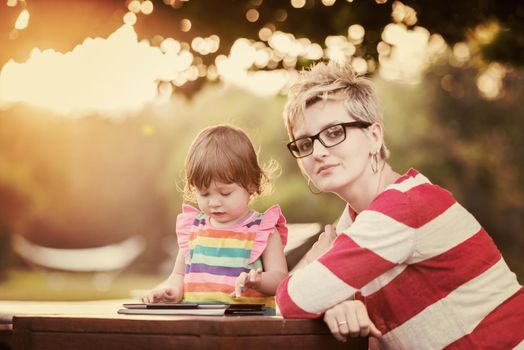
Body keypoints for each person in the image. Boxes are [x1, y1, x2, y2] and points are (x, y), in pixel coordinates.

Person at [275, 61, 524, 348]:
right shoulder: (354, 224)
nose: (317, 152)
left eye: (334, 133)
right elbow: (300, 298)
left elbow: (291, 299)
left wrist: (316, 266)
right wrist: (335, 300)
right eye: (305, 143)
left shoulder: (404, 208)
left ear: (374, 136)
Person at [143, 124, 288, 312]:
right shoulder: (193, 229)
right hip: (197, 324)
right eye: (204, 194)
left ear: (252, 184)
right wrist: (170, 290)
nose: (214, 203)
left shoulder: (263, 230)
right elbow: (179, 275)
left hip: (249, 327)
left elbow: (280, 279)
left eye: (225, 193)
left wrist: (258, 281)